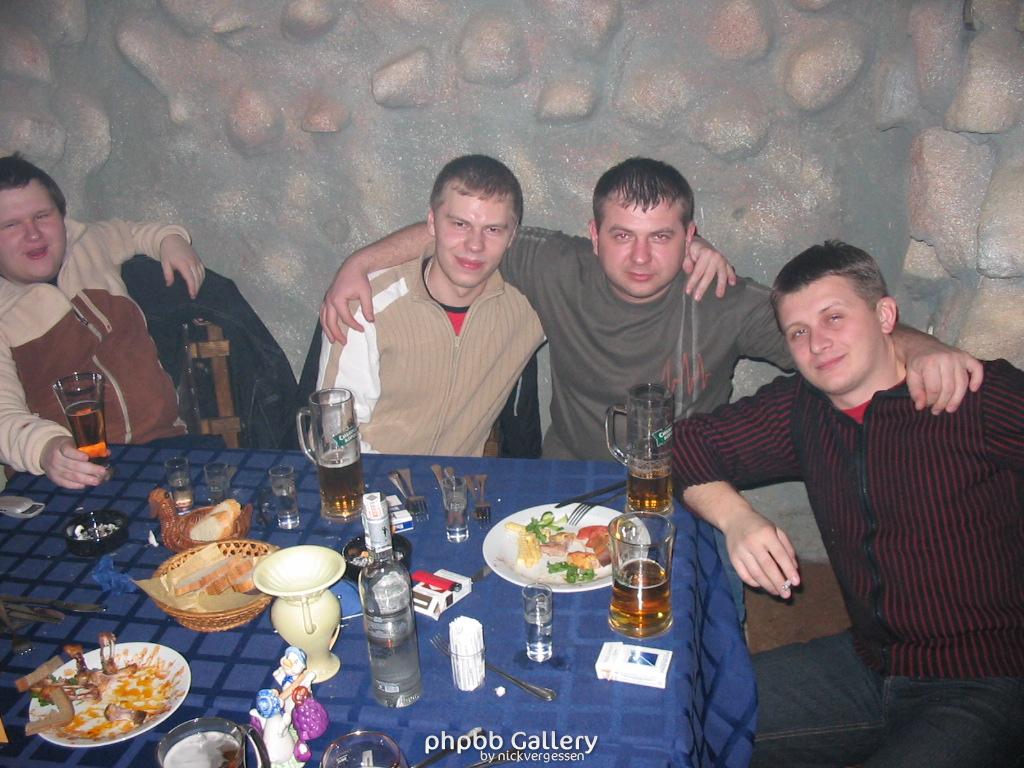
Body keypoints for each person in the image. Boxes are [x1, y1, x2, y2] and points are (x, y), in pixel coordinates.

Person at [320, 157, 982, 463]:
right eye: (622, 236)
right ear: (593, 234)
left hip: (685, 491)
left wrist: (924, 348)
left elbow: (841, 341)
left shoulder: (720, 297)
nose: (640, 258)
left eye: (662, 237)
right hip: (566, 485)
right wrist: (361, 262)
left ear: (691, 238)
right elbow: (465, 231)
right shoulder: (554, 264)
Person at [672, 241, 1024, 767]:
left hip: (984, 680)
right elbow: (675, 446)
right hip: (868, 665)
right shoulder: (802, 408)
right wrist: (736, 517)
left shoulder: (971, 397)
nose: (818, 343)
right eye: (798, 332)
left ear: (884, 316)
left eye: (834, 317)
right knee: (682, 712)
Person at [0, 154, 205, 490]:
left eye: (42, 216)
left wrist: (171, 240)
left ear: (62, 218)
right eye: (10, 225)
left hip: (165, 446)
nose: (33, 234)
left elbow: (136, 232)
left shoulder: (88, 243)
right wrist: (46, 448)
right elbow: (3, 417)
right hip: (68, 474)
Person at [316, 154, 545, 455]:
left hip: (460, 482)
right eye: (460, 224)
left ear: (512, 236)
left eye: (493, 230)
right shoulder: (367, 306)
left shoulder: (531, 305)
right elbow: (336, 438)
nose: (474, 245)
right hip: (374, 478)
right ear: (432, 223)